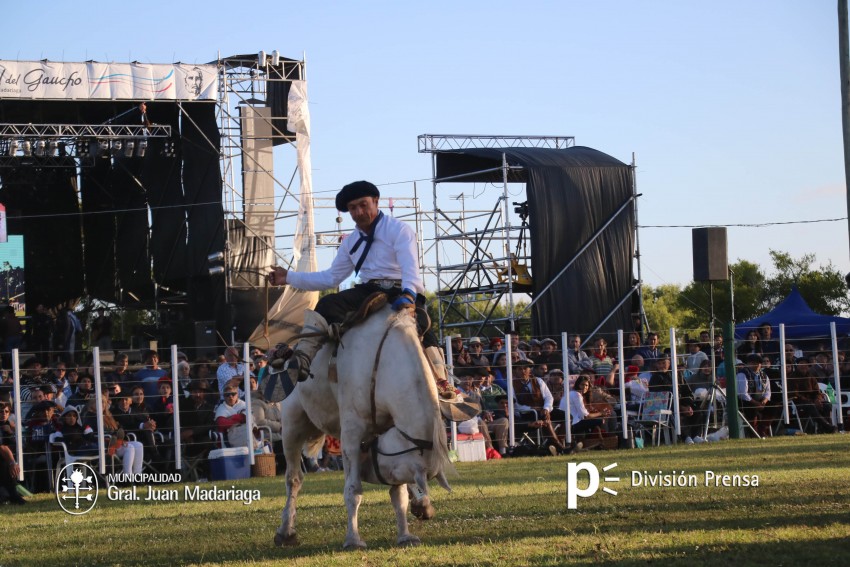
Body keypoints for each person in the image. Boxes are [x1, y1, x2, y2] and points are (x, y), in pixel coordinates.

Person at [266, 180, 441, 401]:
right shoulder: (350, 242)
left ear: (375, 202)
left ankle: (443, 385)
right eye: (352, 208)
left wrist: (408, 294)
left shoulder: (399, 230)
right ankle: (302, 359)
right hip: (369, 290)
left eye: (363, 205)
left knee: (424, 327)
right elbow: (330, 278)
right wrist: (288, 276)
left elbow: (410, 267)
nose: (359, 212)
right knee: (327, 305)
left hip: (401, 289)